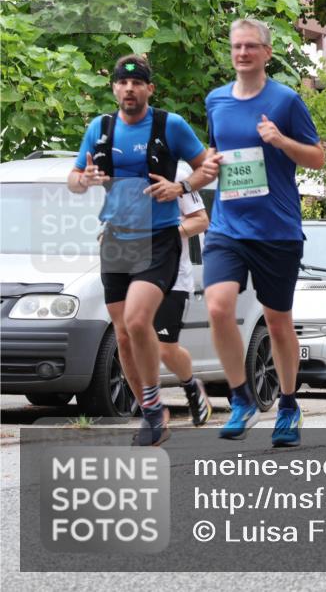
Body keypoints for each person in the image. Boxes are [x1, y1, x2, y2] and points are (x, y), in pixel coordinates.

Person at [68, 55, 218, 446]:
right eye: (122, 82)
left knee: (138, 322)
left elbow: (207, 167)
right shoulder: (99, 129)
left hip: (160, 239)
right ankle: (151, 411)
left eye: (138, 83)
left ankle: (158, 403)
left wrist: (181, 188)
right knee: (122, 335)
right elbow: (74, 178)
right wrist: (84, 179)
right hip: (116, 239)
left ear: (150, 88)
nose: (129, 89)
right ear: (114, 88)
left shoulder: (171, 125)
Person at [204, 18, 325, 447]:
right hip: (227, 226)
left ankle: (289, 404)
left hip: (276, 228)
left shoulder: (286, 100)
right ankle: (241, 398)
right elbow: (214, 156)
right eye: (236, 46)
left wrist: (280, 142)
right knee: (218, 307)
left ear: (266, 53)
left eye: (250, 46)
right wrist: (201, 172)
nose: (242, 53)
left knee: (277, 322)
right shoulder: (216, 100)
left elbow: (317, 158)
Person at [151, 166, 213, 428]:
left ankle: (191, 387)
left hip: (172, 277)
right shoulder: (120, 165)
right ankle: (152, 412)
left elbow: (201, 220)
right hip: (132, 272)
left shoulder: (176, 169)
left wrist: (167, 234)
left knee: (165, 348)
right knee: (136, 344)